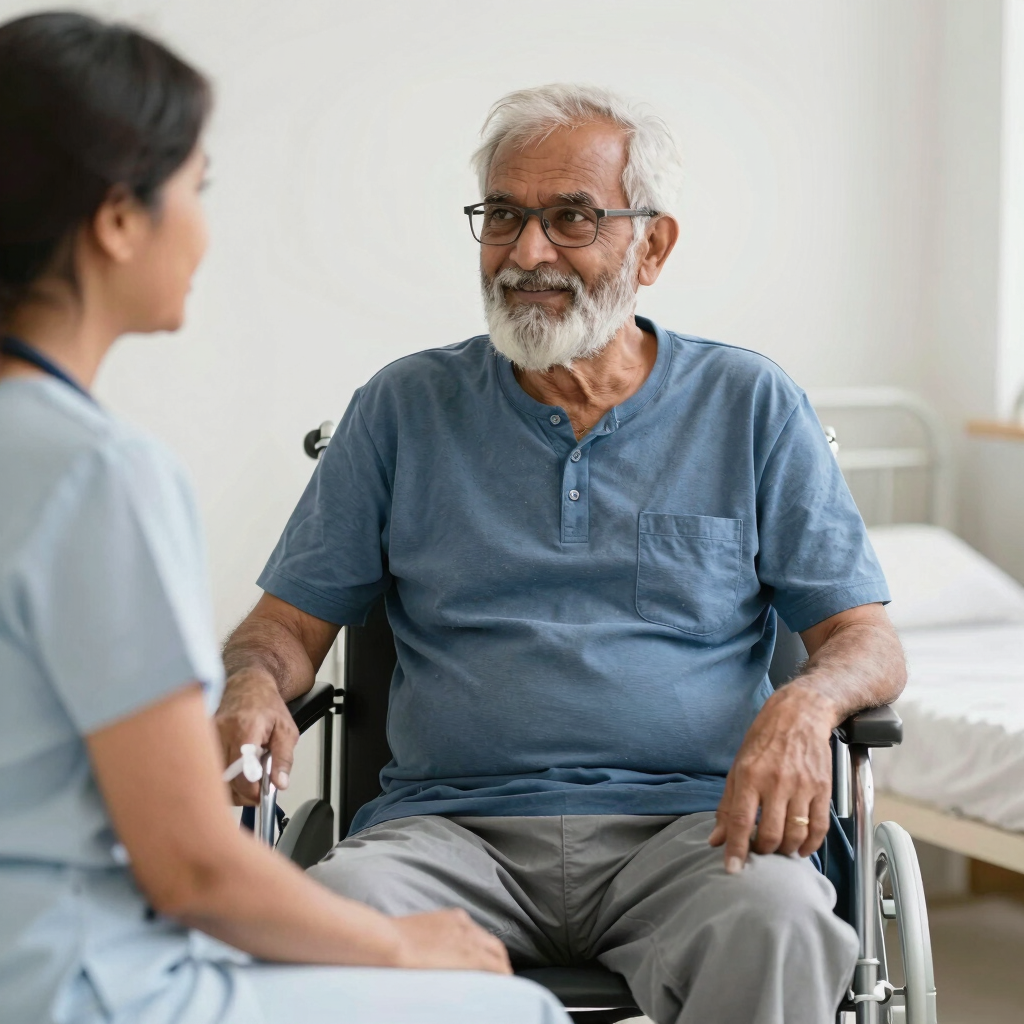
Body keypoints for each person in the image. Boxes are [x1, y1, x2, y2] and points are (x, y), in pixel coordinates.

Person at [217, 85, 907, 1024]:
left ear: (651, 246)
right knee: (327, 922)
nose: (527, 253)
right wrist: (254, 684)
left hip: (696, 834)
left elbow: (867, 641)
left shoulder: (748, 403)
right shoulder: (402, 408)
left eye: (571, 217)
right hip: (448, 833)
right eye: (503, 215)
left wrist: (808, 701)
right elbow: (281, 630)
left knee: (779, 922)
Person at [0, 13, 571, 1024]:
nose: (205, 228)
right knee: (509, 1011)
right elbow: (193, 869)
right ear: (118, 218)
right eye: (197, 188)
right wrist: (402, 945)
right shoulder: (101, 477)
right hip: (75, 975)